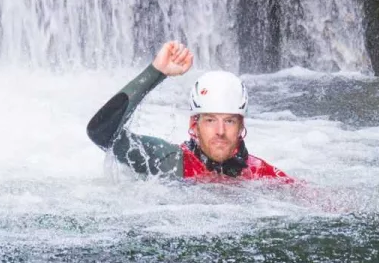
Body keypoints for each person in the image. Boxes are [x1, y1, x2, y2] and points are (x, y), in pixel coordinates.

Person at [87, 41, 291, 181]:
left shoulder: (261, 174)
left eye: (229, 121)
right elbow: (101, 133)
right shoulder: (170, 161)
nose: (220, 131)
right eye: (210, 120)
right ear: (194, 125)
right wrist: (156, 72)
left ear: (241, 127)